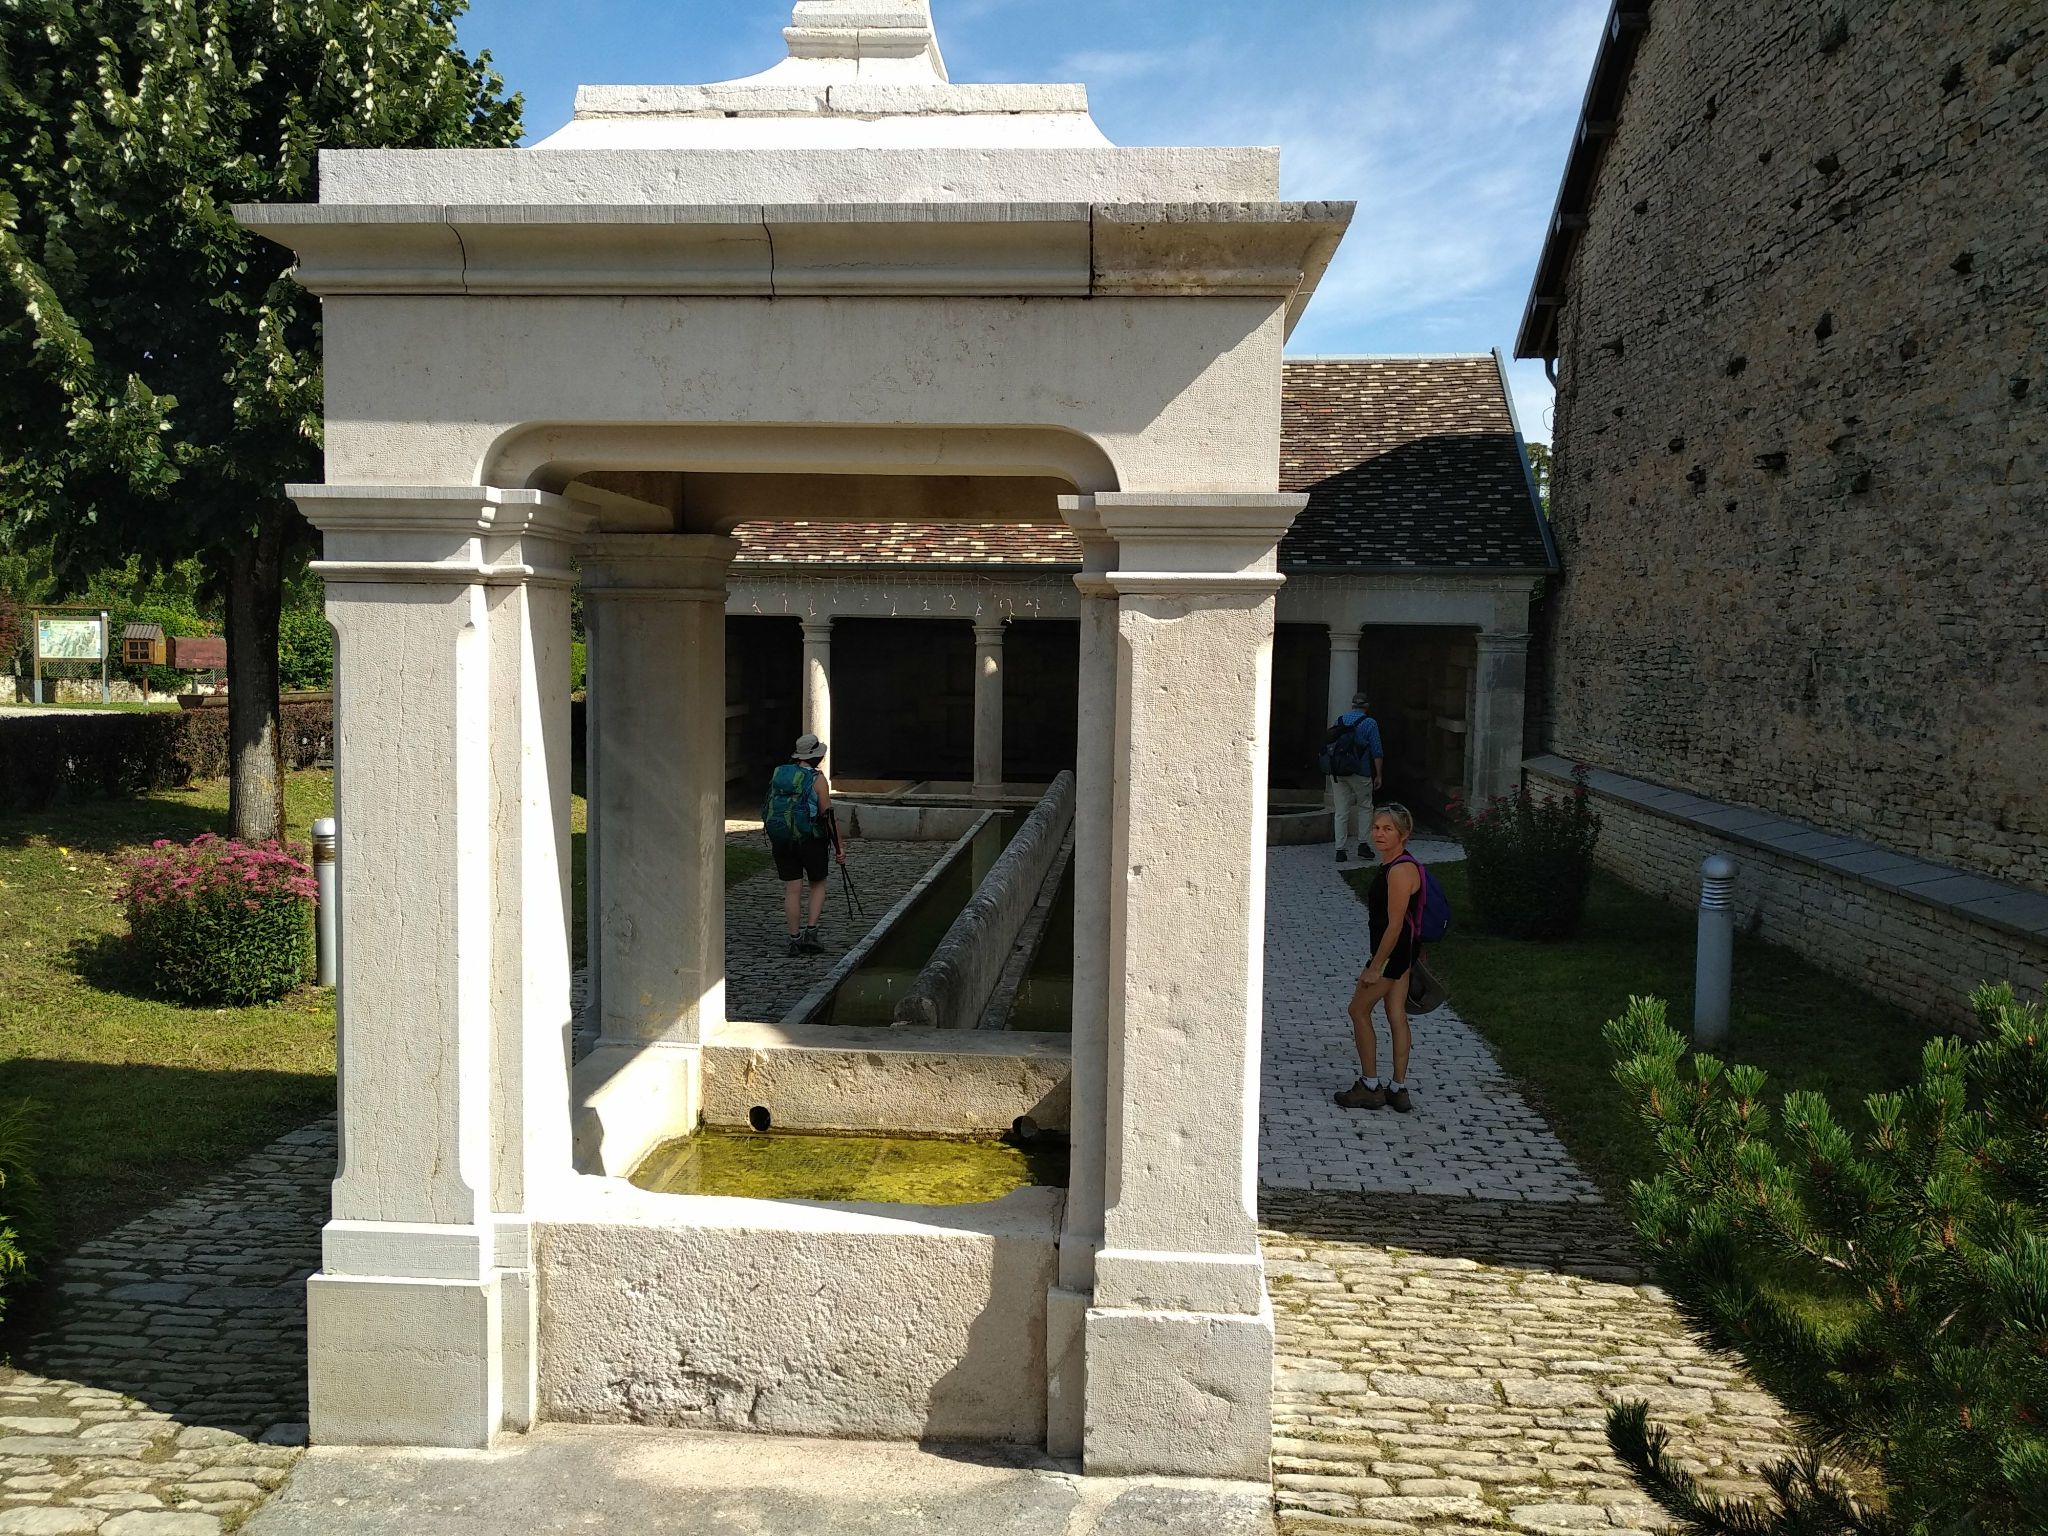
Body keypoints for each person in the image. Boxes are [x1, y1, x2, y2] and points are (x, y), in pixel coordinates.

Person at [1335, 803, 1422, 1113]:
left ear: (1404, 834)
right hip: (1403, 951)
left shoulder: (1399, 871)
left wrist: (1375, 967)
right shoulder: (1397, 864)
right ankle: (1398, 1090)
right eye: (1376, 828)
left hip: (1392, 954)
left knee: (1358, 1010)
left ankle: (1370, 1086)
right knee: (1396, 1014)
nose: (1379, 834)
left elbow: (1394, 925)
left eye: (1388, 829)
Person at [763, 732, 844, 956]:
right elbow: (827, 815)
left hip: (783, 838)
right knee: (817, 884)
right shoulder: (817, 779)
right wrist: (839, 846)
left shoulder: (781, 774)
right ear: (816, 757)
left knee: (792, 889)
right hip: (811, 839)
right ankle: (811, 933)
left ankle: (794, 939)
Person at [1324, 692, 1383, 865]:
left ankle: (1340, 849)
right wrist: (1379, 774)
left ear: (1352, 705)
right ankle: (1363, 844)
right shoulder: (1370, 723)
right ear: (1367, 706)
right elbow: (1377, 750)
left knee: (1341, 810)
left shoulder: (1340, 720)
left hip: (1339, 772)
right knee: (1365, 806)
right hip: (1360, 772)